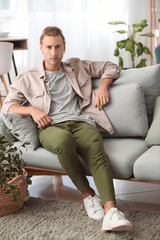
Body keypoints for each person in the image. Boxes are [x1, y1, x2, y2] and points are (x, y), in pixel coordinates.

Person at [2, 26, 132, 232]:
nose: (53, 53)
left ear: (64, 48)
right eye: (49, 47)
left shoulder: (78, 66)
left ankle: (111, 211)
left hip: (81, 122)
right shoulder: (28, 77)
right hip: (50, 127)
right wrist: (33, 111)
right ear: (41, 48)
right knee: (63, 141)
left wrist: (105, 86)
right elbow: (8, 105)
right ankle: (88, 194)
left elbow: (111, 66)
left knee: (96, 147)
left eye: (58, 47)